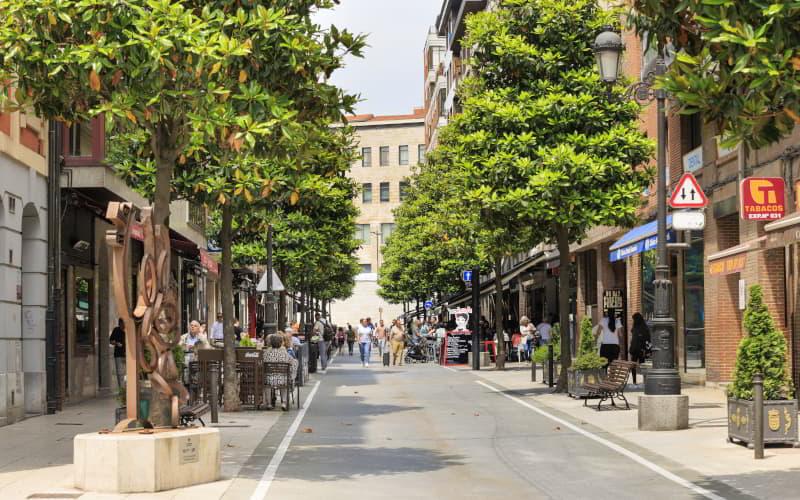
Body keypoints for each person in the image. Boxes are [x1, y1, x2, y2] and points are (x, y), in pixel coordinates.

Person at [264, 334, 298, 411]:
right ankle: (284, 402)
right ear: (280, 343)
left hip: (269, 379)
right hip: (282, 380)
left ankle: (269, 403)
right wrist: (292, 374)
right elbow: (293, 362)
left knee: (267, 384)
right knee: (285, 380)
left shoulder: (266, 353)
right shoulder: (284, 353)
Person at [629, 313, 651, 384]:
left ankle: (634, 381)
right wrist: (648, 350)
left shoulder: (636, 327)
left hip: (636, 349)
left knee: (634, 365)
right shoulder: (644, 327)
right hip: (641, 349)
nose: (633, 321)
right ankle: (643, 380)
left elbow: (633, 340)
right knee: (642, 365)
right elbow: (648, 339)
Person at [109, 318, 126, 388]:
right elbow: (111, 341)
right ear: (119, 324)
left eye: (123, 324)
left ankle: (127, 388)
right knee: (120, 372)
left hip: (127, 355)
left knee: (127, 372)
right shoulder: (116, 330)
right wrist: (116, 343)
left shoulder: (127, 330)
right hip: (118, 354)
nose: (123, 325)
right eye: (121, 324)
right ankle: (121, 388)